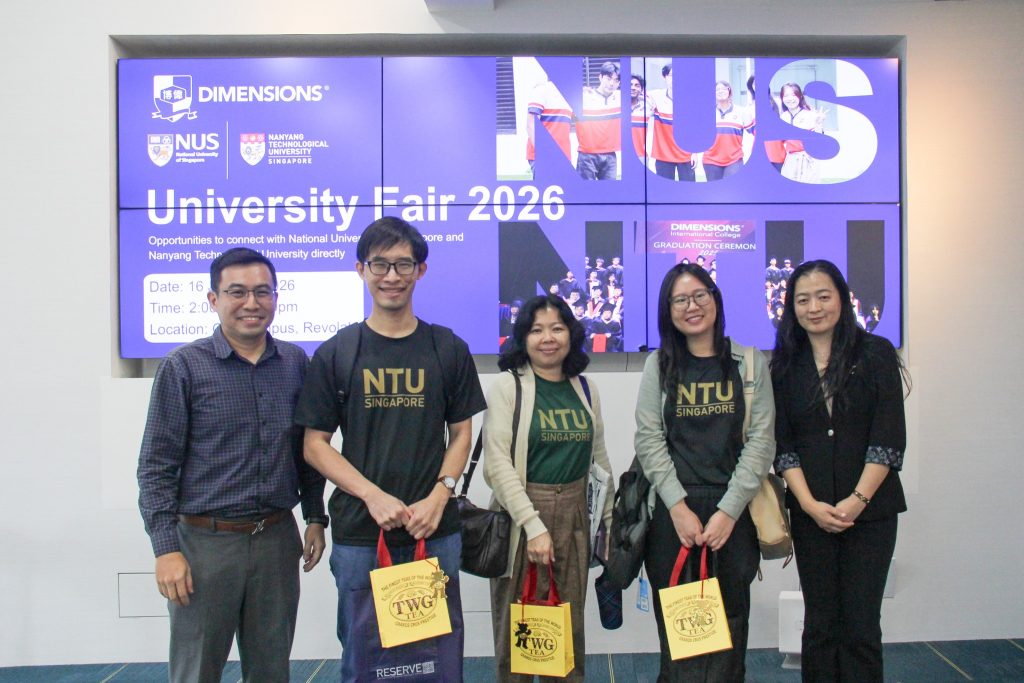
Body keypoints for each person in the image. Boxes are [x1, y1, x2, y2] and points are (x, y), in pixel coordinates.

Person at [295, 217, 487, 681]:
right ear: (361, 269)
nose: (392, 276)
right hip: (361, 533)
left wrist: (440, 495)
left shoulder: (447, 347)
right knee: (366, 656)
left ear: (421, 270)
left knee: (434, 656)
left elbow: (462, 433)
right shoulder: (338, 352)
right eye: (380, 264)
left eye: (403, 264)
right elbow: (315, 445)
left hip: (434, 529)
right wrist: (372, 495)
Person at [137, 247, 327, 683]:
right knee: (197, 669)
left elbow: (308, 452)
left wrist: (315, 517)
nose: (251, 303)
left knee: (271, 669)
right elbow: (155, 467)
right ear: (213, 299)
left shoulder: (296, 363)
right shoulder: (183, 367)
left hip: (276, 539)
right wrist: (165, 549)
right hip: (205, 545)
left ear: (276, 297)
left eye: (262, 292)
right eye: (237, 292)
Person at [634, 263, 775, 682]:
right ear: (668, 310)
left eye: (699, 295)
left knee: (729, 631)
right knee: (681, 636)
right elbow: (649, 440)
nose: (691, 306)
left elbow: (761, 443)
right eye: (679, 299)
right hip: (673, 515)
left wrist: (728, 512)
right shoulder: (659, 366)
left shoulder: (750, 363)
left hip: (733, 513)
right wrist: (678, 508)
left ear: (715, 299)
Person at [770, 260, 907, 683]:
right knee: (820, 624)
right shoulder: (784, 365)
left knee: (861, 625)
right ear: (791, 307)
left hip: (871, 514)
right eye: (803, 299)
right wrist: (809, 505)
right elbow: (784, 446)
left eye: (823, 296)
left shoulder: (876, 353)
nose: (814, 308)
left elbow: (888, 438)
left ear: (843, 300)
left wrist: (856, 501)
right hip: (811, 516)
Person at [483, 293, 615, 683]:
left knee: (566, 632)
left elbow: (600, 461)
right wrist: (533, 525)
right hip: (521, 518)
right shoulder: (508, 387)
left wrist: (609, 523)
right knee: (520, 632)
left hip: (574, 518)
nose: (547, 338)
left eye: (557, 328)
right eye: (537, 330)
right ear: (523, 337)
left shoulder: (586, 388)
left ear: (571, 334)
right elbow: (497, 465)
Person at [650, 64, 696, 181]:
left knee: (688, 190)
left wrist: (694, 153)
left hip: (685, 155)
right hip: (663, 154)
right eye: (671, 75)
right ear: (664, 77)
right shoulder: (655, 96)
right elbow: (636, 95)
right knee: (664, 190)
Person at [576, 61, 621, 180]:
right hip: (586, 155)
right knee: (585, 191)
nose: (611, 83)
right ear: (600, 77)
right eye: (608, 78)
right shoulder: (583, 96)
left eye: (616, 80)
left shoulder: (621, 98)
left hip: (610, 155)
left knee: (609, 191)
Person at [701, 80, 754, 181]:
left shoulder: (741, 112)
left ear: (729, 91)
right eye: (717, 90)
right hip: (711, 160)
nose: (720, 91)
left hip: (734, 160)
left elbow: (753, 131)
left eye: (724, 89)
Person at [778, 83, 828, 182]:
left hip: (808, 160)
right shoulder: (783, 117)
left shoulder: (810, 115)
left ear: (800, 96)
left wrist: (818, 124)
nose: (790, 99)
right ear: (782, 98)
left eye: (793, 95)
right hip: (790, 161)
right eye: (786, 95)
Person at [629, 73, 651, 160]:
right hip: (620, 157)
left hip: (641, 156)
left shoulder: (648, 108)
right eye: (630, 85)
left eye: (637, 85)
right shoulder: (616, 106)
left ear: (641, 90)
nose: (633, 88)